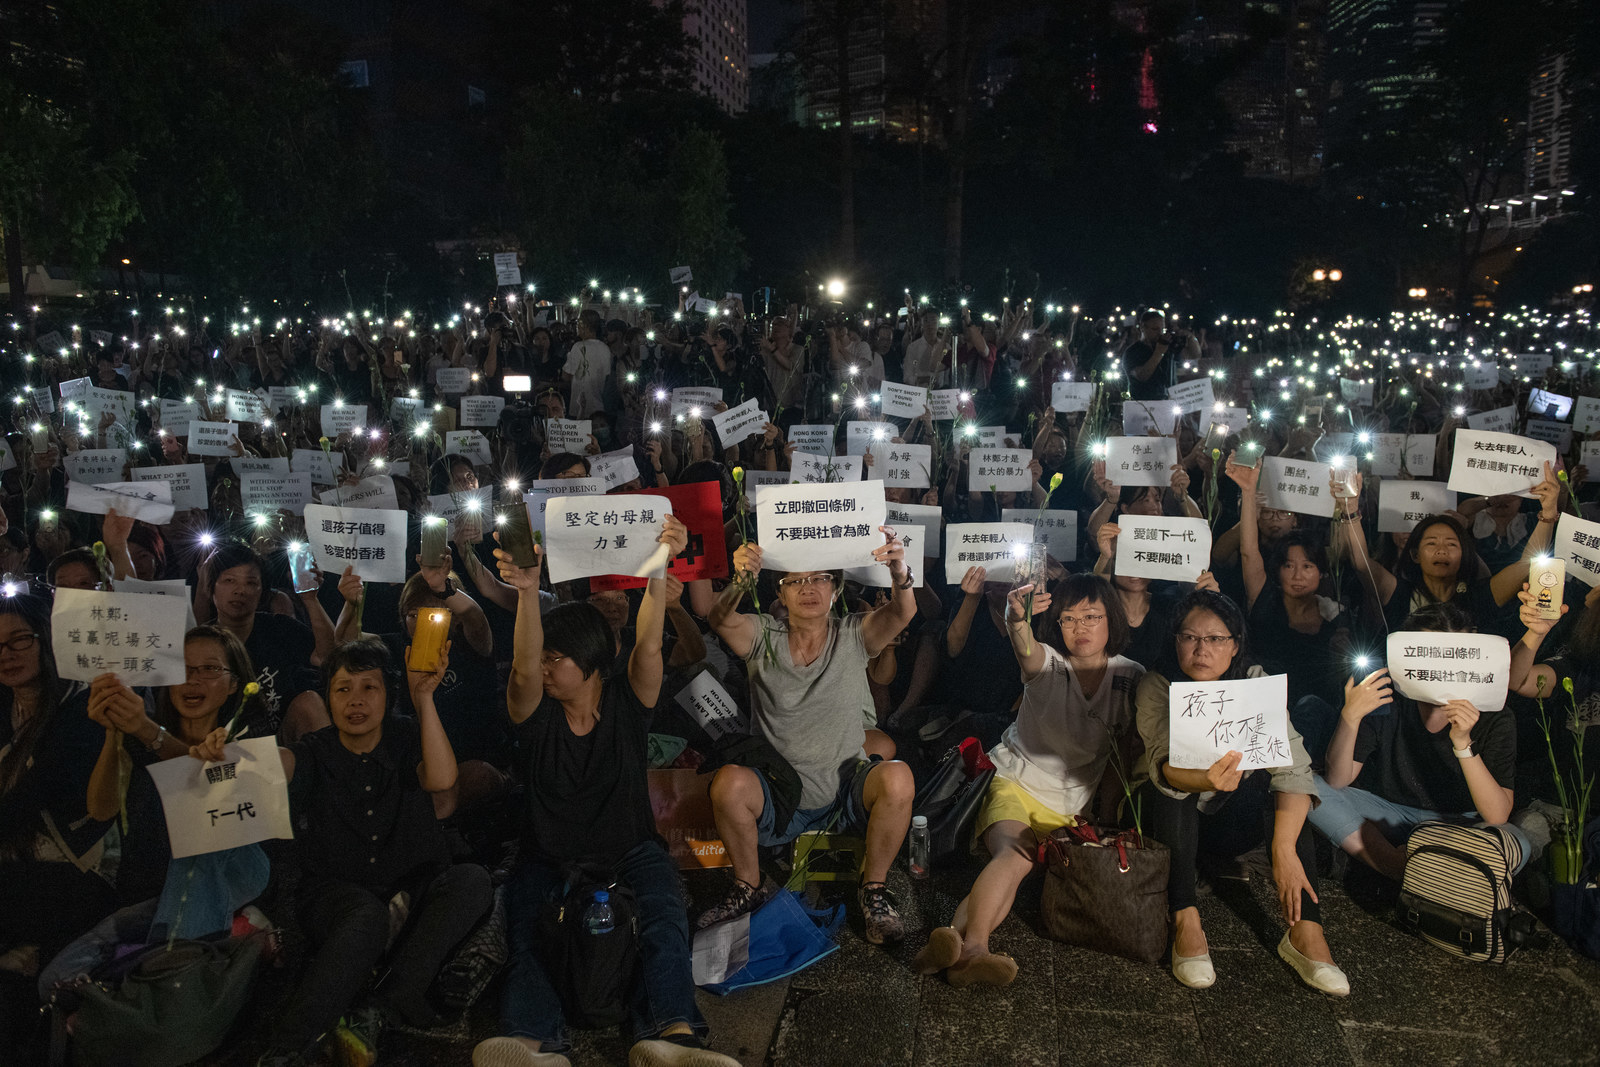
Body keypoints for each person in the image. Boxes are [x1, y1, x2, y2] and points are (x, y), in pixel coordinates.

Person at [474, 516, 742, 1067]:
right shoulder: (536, 715)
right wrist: (528, 593)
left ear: (594, 664)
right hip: (549, 856)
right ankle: (533, 1045)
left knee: (665, 918)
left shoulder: (626, 704)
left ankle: (674, 1035)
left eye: (558, 658)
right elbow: (523, 668)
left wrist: (659, 563)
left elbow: (647, 645)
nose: (545, 667)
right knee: (528, 935)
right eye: (544, 656)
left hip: (631, 850)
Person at [197, 638, 492, 1066]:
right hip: (336, 895)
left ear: (388, 694)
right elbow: (277, 762)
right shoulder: (315, 751)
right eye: (342, 689)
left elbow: (443, 779)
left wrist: (424, 698)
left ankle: (381, 1003)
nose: (356, 701)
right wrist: (228, 757)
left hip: (411, 888)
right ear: (328, 698)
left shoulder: (407, 735)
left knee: (472, 881)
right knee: (364, 917)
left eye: (369, 688)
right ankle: (288, 1047)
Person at [915, 574, 1143, 987]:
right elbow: (1025, 649)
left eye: (1092, 616)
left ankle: (950, 944)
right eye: (1069, 619)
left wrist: (1108, 817)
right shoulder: (1048, 665)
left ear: (1113, 619)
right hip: (1015, 781)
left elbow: (1120, 756)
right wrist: (1016, 619)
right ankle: (977, 948)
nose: (1081, 627)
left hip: (1070, 807)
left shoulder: (1131, 677)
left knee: (1014, 868)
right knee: (1014, 856)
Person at [700, 530, 918, 944]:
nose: (809, 588)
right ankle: (749, 884)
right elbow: (719, 618)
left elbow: (901, 613)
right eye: (796, 580)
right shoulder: (762, 635)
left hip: (845, 789)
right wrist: (739, 584)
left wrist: (899, 573)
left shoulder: (853, 634)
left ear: (836, 589)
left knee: (898, 776)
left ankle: (873, 890)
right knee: (727, 783)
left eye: (820, 578)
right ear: (780, 592)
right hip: (781, 792)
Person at [1133, 590, 1347, 995]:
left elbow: (1294, 768)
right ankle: (1185, 919)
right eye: (1190, 637)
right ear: (1175, 641)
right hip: (1170, 824)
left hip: (1232, 821)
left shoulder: (1256, 685)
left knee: (1283, 795)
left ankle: (1307, 933)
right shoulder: (1157, 685)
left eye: (1215, 639)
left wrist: (1283, 849)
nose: (1202, 649)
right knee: (1168, 791)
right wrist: (1205, 780)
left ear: (1235, 646)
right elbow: (1162, 765)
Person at [1310, 602, 1530, 880]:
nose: (1442, 668)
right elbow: (1338, 780)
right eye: (1428, 655)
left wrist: (1463, 745)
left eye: (1455, 656)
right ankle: (1397, 866)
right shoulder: (1385, 695)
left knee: (1517, 844)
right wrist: (1350, 717)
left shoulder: (1494, 713)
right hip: (1387, 811)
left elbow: (1497, 814)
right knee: (1311, 790)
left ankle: (1418, 869)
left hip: (1460, 823)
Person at [0, 594, 115, 1042]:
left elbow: (23, 805)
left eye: (19, 641)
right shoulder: (5, 710)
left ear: (48, 640)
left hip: (76, 870)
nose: (6, 655)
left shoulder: (80, 712)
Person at [1335, 466, 1560, 636]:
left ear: (1464, 554)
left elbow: (1527, 564)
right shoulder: (1399, 593)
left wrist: (1548, 513)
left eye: (1452, 544)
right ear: (1415, 555)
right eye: (1431, 543)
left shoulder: (1480, 595)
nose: (1442, 550)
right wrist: (1350, 511)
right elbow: (1361, 563)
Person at [199, 540, 333, 741]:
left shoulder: (279, 629)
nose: (240, 590)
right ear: (211, 587)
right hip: (221, 748)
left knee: (310, 702)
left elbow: (328, 655)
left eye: (251, 582)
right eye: (229, 581)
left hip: (282, 744)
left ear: (263, 591)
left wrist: (310, 599)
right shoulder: (200, 644)